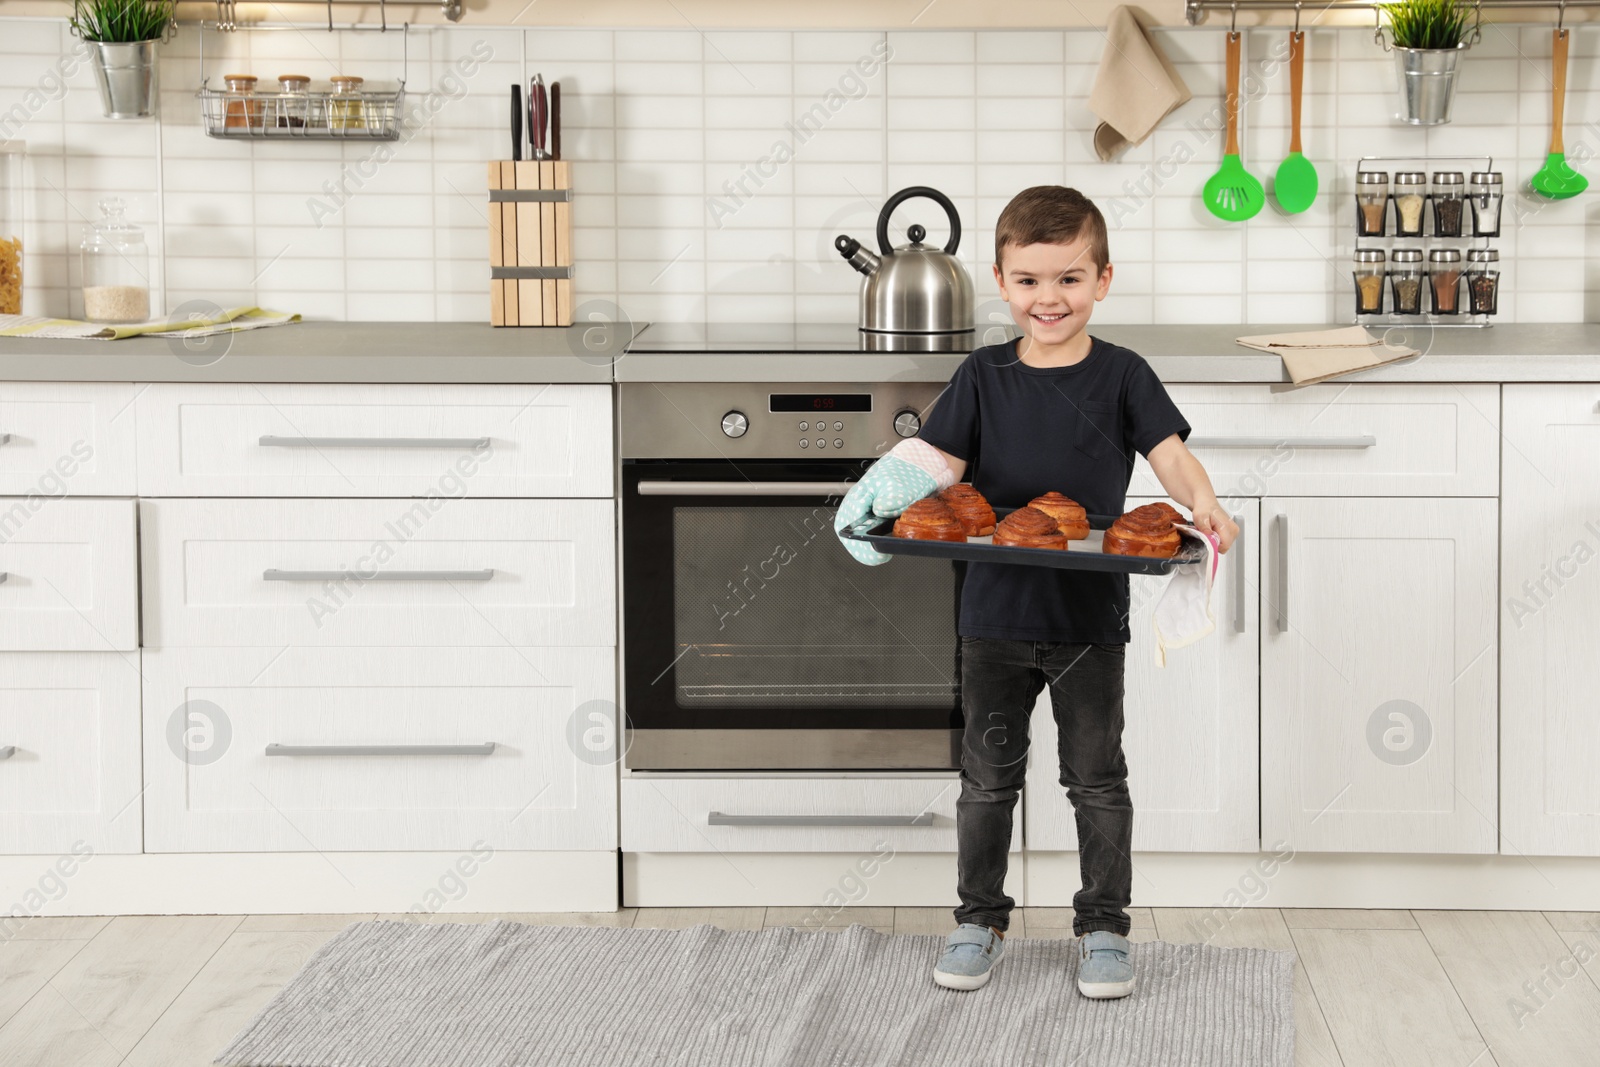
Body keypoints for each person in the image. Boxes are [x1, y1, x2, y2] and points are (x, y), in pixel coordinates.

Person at [832, 185, 1239, 999]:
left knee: (1096, 778)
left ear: (1104, 279)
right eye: (1029, 281)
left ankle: (1104, 929)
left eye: (1069, 279)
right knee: (988, 780)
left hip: (1089, 621)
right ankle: (978, 919)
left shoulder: (1125, 375)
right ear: (1000, 280)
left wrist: (1204, 499)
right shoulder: (982, 374)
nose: (1048, 299)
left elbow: (1169, 453)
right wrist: (880, 487)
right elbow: (938, 463)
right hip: (992, 620)